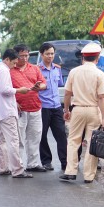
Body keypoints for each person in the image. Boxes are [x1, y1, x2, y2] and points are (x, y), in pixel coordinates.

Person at [59, 42, 104, 183]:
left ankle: (70, 171)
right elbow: (102, 97)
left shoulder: (74, 72)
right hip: (93, 110)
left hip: (78, 109)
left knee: (73, 141)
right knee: (91, 142)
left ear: (83, 58)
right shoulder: (99, 74)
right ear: (97, 58)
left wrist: (66, 110)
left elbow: (67, 94)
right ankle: (88, 176)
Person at [0, 48, 32, 178]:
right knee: (13, 141)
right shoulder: (4, 70)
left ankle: (3, 168)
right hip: (7, 111)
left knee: (0, 141)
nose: (14, 66)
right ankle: (17, 170)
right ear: (7, 59)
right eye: (13, 63)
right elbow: (4, 90)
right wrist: (19, 90)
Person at [10, 44, 48, 172]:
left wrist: (39, 87)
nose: (25, 58)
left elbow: (43, 83)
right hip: (19, 109)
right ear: (16, 56)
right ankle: (19, 165)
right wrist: (14, 102)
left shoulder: (35, 68)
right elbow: (5, 90)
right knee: (19, 139)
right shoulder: (9, 71)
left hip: (35, 107)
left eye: (27, 55)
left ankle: (33, 163)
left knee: (35, 137)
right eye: (22, 56)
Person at [37, 42, 67, 171]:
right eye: (47, 54)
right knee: (42, 135)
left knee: (61, 135)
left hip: (56, 107)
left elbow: (60, 84)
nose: (50, 56)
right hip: (43, 107)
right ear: (41, 54)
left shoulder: (57, 69)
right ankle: (46, 161)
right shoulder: (36, 70)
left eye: (52, 54)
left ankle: (65, 162)